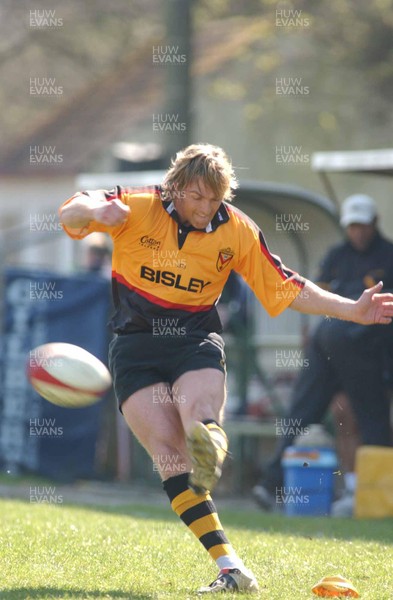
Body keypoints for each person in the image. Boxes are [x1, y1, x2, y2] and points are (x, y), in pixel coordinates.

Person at [59, 146, 393, 594]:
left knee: (197, 415)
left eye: (214, 199)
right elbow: (71, 213)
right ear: (175, 187)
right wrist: (97, 208)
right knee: (168, 453)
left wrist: (352, 310)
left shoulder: (234, 230)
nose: (204, 208)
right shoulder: (137, 206)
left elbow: (286, 285)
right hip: (134, 348)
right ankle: (231, 566)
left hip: (193, 340)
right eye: (196, 197)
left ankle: (210, 444)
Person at [253, 194, 393, 516]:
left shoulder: (389, 255)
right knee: (313, 411)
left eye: (362, 225)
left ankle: (368, 493)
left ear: (374, 224)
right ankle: (274, 484)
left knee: (361, 416)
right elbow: (311, 296)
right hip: (331, 340)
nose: (357, 232)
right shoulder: (335, 256)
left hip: (369, 347)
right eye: (352, 226)